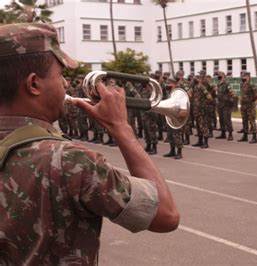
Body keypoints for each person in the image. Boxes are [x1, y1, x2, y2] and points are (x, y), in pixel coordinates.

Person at [0, 23, 179, 264]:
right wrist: (121, 128)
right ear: (34, 84)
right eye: (60, 75)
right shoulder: (67, 160)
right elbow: (165, 215)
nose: (65, 84)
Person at [238, 71, 257, 143]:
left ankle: (254, 137)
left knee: (252, 121)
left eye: (244, 77)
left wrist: (251, 101)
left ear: (248, 77)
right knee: (244, 121)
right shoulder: (242, 84)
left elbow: (256, 95)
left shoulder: (251, 85)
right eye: (242, 76)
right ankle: (245, 136)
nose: (243, 78)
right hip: (243, 105)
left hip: (250, 105)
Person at [215, 71, 235, 141]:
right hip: (220, 104)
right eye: (218, 75)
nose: (218, 76)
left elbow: (232, 93)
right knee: (221, 119)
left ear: (223, 76)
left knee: (227, 119)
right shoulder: (218, 84)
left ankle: (230, 134)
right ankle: (223, 133)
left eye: (219, 75)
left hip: (226, 105)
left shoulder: (226, 84)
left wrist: (228, 99)